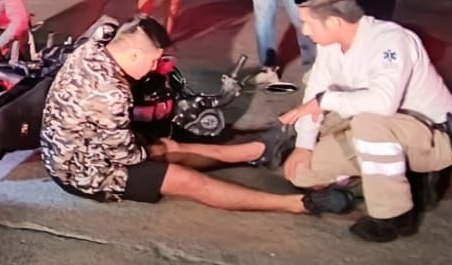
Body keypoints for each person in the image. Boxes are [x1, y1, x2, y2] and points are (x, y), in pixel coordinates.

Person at [40, 15, 351, 215]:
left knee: (171, 147)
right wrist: (162, 150)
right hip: (83, 173)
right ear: (133, 53)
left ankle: (255, 152)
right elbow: (127, 156)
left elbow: (117, 26)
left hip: (73, 147)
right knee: (185, 179)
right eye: (153, 61)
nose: (154, 68)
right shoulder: (110, 92)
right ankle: (299, 204)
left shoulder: (98, 43)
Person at [278, 0, 452, 243]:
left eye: (308, 22)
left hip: (432, 135)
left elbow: (383, 103)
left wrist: (325, 101)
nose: (304, 30)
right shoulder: (330, 46)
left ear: (333, 22)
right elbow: (314, 95)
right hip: (383, 132)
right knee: (302, 173)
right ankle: (390, 179)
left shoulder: (390, 40)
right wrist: (304, 145)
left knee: (368, 121)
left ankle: (394, 215)